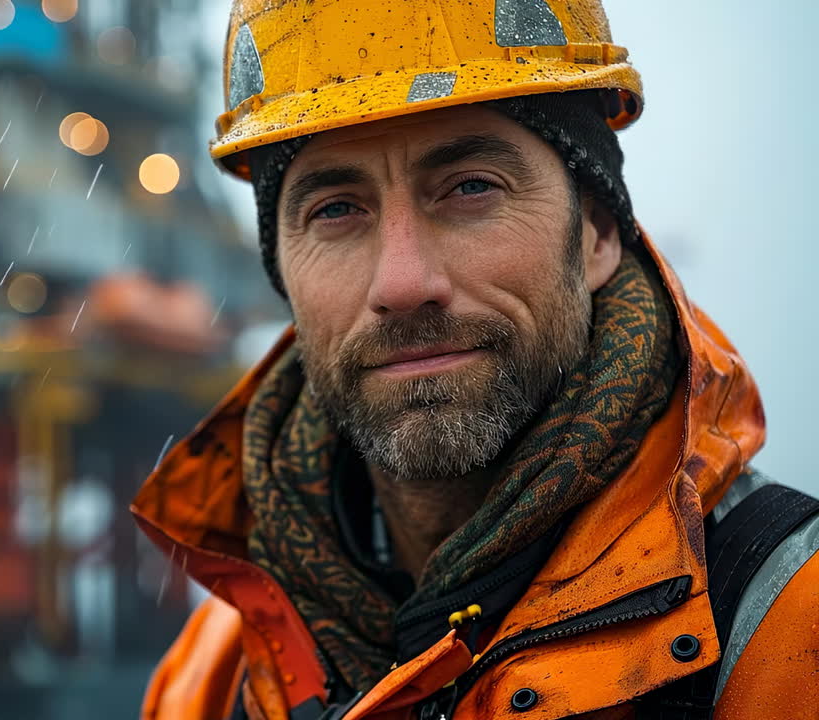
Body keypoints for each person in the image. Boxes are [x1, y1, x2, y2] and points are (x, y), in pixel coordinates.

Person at [132, 1, 819, 718]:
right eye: (335, 209)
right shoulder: (214, 679)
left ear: (597, 232)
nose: (401, 284)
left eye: (470, 188)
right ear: (285, 273)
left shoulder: (790, 623)